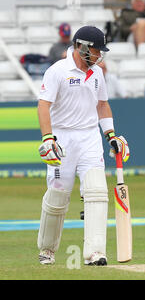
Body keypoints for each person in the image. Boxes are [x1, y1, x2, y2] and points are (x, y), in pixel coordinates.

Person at [36, 26, 129, 266]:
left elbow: (102, 105)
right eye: (96, 51)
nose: (99, 56)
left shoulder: (97, 73)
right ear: (82, 46)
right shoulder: (57, 71)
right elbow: (43, 105)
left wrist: (111, 134)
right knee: (58, 195)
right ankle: (47, 250)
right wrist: (48, 138)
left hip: (89, 138)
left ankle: (94, 252)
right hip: (62, 139)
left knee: (97, 191)